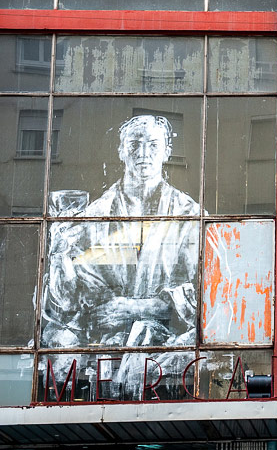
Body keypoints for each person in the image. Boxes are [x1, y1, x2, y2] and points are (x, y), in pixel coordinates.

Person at [42, 114, 202, 349]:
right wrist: (59, 254)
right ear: (121, 151)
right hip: (102, 352)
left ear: (167, 151)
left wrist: (133, 308)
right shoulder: (93, 216)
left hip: (166, 353)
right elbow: (66, 303)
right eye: (134, 144)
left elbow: (207, 294)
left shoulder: (190, 215)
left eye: (153, 145)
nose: (144, 153)